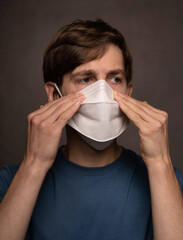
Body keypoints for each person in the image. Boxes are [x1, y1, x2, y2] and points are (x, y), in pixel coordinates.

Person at [0, 19, 183, 240]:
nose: (103, 92)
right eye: (86, 79)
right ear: (55, 95)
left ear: (128, 92)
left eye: (115, 79)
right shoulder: (12, 182)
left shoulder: (169, 183)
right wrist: (34, 163)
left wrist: (160, 162)